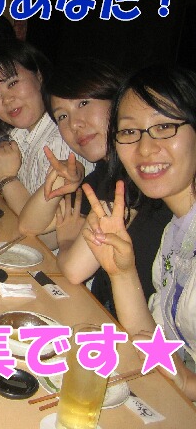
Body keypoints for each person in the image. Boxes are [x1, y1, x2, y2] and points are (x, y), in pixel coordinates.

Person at [17, 58, 172, 312]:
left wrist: (68, 241)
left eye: (83, 103)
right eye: (62, 116)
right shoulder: (102, 175)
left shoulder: (134, 177)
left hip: (130, 322)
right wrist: (58, 182)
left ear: (119, 100)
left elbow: (74, 269)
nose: (74, 124)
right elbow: (29, 227)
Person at [81, 65, 196, 400]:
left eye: (164, 127)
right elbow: (151, 340)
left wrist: (187, 383)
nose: (145, 149)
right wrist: (122, 272)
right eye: (130, 132)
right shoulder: (176, 229)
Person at [0, 41, 94, 228]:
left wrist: (6, 177)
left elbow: (39, 230)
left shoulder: (61, 141)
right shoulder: (21, 134)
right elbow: (8, 201)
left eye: (12, 83)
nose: (7, 99)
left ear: (39, 75)